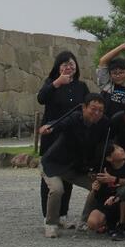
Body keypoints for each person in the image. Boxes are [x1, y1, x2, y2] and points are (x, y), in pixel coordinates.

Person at [38, 92, 110, 238]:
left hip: (76, 167)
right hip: (53, 163)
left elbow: (101, 149)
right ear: (84, 108)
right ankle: (51, 223)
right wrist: (49, 127)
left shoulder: (104, 124)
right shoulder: (75, 118)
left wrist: (95, 170)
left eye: (100, 110)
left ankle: (84, 221)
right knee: (57, 189)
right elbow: (60, 123)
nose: (97, 113)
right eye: (93, 109)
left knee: (97, 186)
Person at [36, 50, 89, 226]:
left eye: (71, 63)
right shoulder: (51, 83)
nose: (69, 67)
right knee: (50, 177)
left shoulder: (81, 86)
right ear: (58, 67)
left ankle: (63, 214)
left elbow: (86, 108)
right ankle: (48, 215)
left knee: (67, 177)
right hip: (52, 136)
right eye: (65, 64)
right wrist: (57, 82)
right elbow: (41, 98)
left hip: (71, 138)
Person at [86, 143, 125, 241]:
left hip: (124, 202)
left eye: (120, 147)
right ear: (109, 158)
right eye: (116, 149)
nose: (121, 149)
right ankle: (108, 224)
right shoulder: (104, 169)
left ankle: (122, 225)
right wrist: (95, 188)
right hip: (107, 203)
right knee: (92, 223)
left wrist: (114, 179)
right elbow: (97, 196)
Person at [97, 41, 125, 117]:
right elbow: (103, 61)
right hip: (106, 122)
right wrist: (121, 47)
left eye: (121, 72)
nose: (118, 76)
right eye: (114, 73)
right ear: (110, 74)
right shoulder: (106, 85)